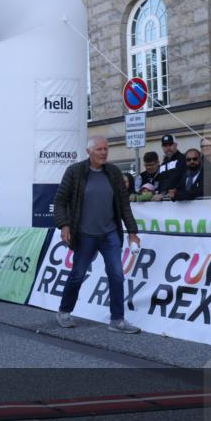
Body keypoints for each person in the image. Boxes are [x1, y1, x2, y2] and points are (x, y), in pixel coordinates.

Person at [53, 135, 141, 334]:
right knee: (77, 274)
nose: (103, 152)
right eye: (99, 149)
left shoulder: (114, 172)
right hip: (84, 235)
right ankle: (64, 311)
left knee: (117, 275)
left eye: (105, 149)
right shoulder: (75, 172)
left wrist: (132, 232)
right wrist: (64, 226)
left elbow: (124, 205)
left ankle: (117, 320)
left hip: (110, 234)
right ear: (88, 152)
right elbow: (59, 201)